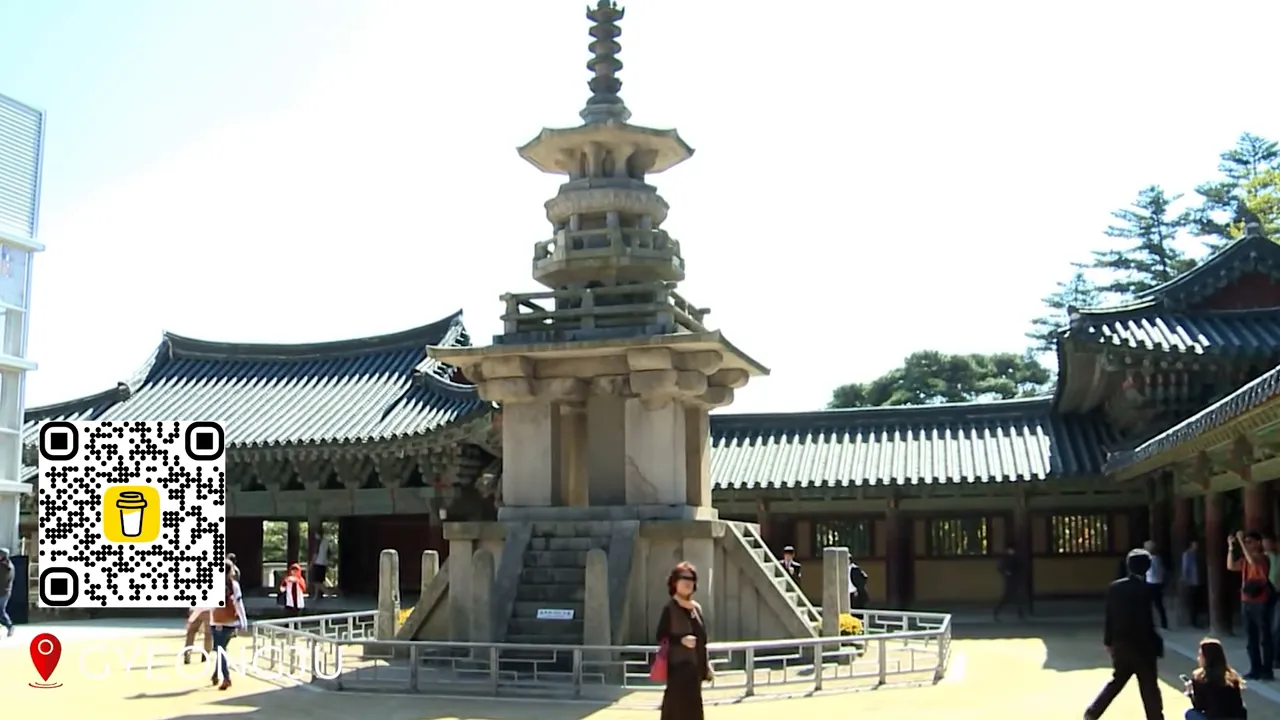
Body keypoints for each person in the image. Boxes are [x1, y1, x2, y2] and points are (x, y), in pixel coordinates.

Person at [1084, 548, 1165, 720]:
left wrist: (1108, 641)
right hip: (1143, 646)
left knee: (1117, 681)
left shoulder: (1115, 588)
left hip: (1121, 644)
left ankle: (1093, 712)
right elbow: (1147, 621)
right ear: (1147, 567)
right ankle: (1155, 717)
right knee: (1149, 686)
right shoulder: (1147, 590)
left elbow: (1110, 616)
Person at [656, 561, 711, 720]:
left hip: (695, 672)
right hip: (678, 670)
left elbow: (702, 639)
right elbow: (661, 635)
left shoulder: (696, 608)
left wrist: (706, 665)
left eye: (691, 579)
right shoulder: (670, 608)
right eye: (683, 578)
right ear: (675, 582)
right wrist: (681, 640)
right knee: (677, 713)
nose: (688, 583)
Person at [1227, 530, 1274, 680]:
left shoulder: (1263, 558)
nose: (1247, 544)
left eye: (1249, 541)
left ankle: (1267, 670)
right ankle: (1255, 668)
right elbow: (1231, 566)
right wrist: (1230, 547)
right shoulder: (1245, 560)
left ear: (1258, 543)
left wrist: (1241, 542)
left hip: (1260, 600)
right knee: (1251, 638)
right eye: (1246, 541)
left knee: (1264, 637)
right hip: (1246, 600)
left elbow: (1253, 561)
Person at [1183, 637, 1247, 720]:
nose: (1198, 658)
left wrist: (1190, 693)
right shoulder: (1232, 676)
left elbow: (1199, 706)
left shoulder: (1201, 677)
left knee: (1190, 713)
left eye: (1200, 655)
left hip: (1215, 717)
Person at [208, 560, 248, 691]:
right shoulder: (234, 585)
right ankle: (215, 675)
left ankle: (226, 677)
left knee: (220, 650)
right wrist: (243, 621)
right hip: (230, 621)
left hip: (216, 621)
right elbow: (239, 604)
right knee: (222, 649)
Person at [994, 545, 1025, 621]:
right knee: (1008, 597)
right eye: (1011, 550)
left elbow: (1020, 567)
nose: (1012, 551)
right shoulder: (1006, 558)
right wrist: (1006, 572)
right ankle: (996, 611)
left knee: (1016, 597)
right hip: (1009, 580)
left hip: (1014, 579)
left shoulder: (1015, 558)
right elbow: (1000, 568)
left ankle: (1020, 614)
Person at [1146, 540, 1169, 630]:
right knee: (1159, 604)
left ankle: (1151, 623)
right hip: (1158, 582)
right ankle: (1164, 623)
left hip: (1151, 582)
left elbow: (1150, 571)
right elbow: (1162, 571)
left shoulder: (1150, 559)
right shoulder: (1158, 558)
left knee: (1149, 604)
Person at [1182, 540, 1204, 629]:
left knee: (1197, 601)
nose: (1196, 546)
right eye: (1195, 545)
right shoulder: (1187, 554)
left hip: (1198, 580)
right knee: (1193, 602)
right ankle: (1193, 621)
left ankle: (1196, 619)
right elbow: (1185, 568)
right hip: (1192, 581)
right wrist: (1186, 579)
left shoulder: (1198, 554)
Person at [310, 527, 330, 601]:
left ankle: (328, 593)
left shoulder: (318, 542)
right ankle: (316, 595)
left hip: (318, 563)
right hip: (324, 563)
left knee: (316, 582)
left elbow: (315, 554)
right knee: (319, 581)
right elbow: (328, 553)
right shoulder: (326, 541)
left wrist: (311, 564)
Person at [0, 547, 14, 638]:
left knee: (0, 611)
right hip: (3, 591)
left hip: (3, 592)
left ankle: (10, 626)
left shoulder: (6, 566)